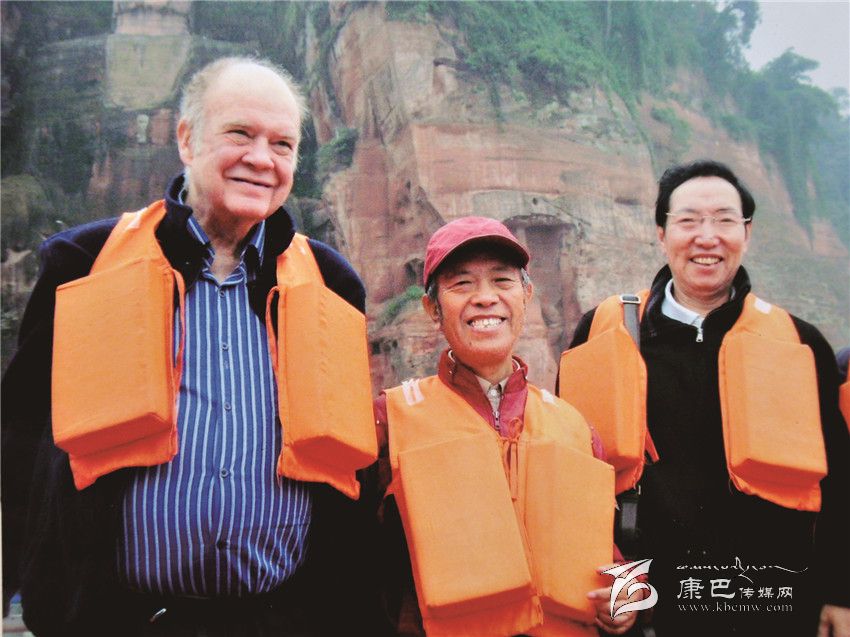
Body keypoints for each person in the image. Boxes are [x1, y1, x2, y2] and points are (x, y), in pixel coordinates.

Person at [1, 57, 385, 636]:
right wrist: (41, 588)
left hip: (281, 620)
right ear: (187, 139)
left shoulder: (332, 281)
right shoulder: (84, 261)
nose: (262, 159)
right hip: (115, 619)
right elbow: (21, 437)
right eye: (240, 134)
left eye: (282, 144)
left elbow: (348, 466)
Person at [558, 160, 850, 636]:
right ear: (661, 233)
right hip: (656, 614)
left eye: (724, 220)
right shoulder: (602, 332)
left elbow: (839, 479)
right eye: (689, 220)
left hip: (776, 608)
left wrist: (840, 594)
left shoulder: (799, 342)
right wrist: (620, 597)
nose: (707, 237)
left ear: (746, 232)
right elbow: (579, 482)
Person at [370, 216, 641, 637]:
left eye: (502, 281)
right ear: (433, 309)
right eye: (462, 284)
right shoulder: (391, 418)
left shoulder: (573, 426)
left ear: (526, 295)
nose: (485, 298)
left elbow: (609, 555)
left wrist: (626, 602)